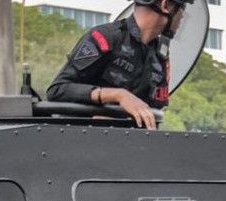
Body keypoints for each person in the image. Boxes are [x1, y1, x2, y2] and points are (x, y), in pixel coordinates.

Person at [47, 0, 192, 129]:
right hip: (81, 140)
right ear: (165, 5)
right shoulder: (105, 38)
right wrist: (118, 96)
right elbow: (58, 90)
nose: (182, 16)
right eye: (181, 8)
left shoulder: (160, 56)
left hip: (129, 146)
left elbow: (155, 110)